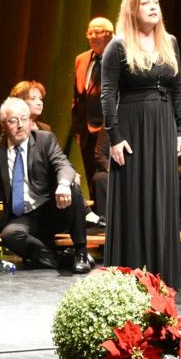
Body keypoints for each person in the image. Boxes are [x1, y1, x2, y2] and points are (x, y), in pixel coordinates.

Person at [100, 0, 181, 290]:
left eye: (156, 2)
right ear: (132, 10)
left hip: (163, 126)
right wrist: (114, 137)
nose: (153, 7)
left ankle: (161, 276)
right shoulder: (119, 46)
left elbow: (178, 88)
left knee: (162, 196)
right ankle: (131, 274)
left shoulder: (170, 43)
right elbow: (108, 94)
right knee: (135, 197)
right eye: (145, 3)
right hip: (132, 127)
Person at [0, 97, 91, 273]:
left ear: (30, 121)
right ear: (3, 124)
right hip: (23, 216)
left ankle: (81, 253)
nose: (20, 125)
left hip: (51, 210)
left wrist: (63, 184)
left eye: (24, 119)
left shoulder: (44, 140)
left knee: (72, 187)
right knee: (10, 235)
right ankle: (62, 259)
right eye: (13, 120)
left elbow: (64, 165)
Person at [71, 17, 113, 218]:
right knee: (91, 177)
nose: (95, 36)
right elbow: (78, 96)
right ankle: (98, 220)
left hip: (108, 128)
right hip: (85, 129)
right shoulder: (81, 59)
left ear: (110, 34)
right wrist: (77, 127)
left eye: (100, 32)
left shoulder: (118, 58)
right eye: (91, 32)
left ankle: (110, 221)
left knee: (103, 177)